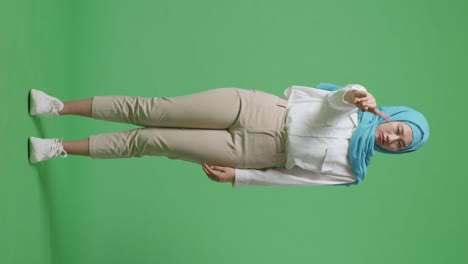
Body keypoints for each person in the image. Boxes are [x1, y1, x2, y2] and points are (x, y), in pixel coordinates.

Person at [28, 83, 429, 187]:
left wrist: (242, 176)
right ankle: (59, 106)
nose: (391, 140)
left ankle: (57, 147)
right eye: (398, 130)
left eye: (400, 145)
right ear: (394, 117)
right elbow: (329, 105)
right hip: (255, 107)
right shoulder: (356, 105)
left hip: (252, 151)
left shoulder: (351, 171)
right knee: (153, 108)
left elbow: (297, 179)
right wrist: (353, 94)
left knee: (150, 140)